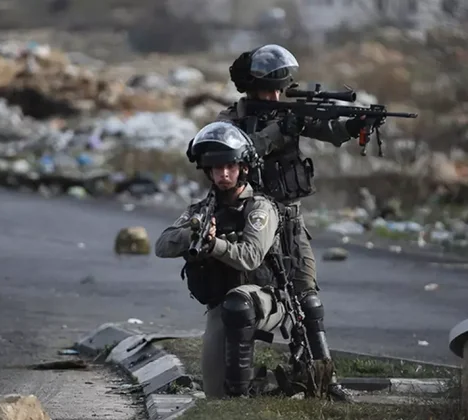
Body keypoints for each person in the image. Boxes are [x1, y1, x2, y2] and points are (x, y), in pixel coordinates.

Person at [209, 44, 363, 400]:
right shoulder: (230, 121)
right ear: (251, 89)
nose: (276, 96)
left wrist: (355, 125)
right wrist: (281, 128)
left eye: (280, 88)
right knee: (244, 305)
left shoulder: (288, 111)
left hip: (291, 220)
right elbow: (239, 152)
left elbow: (331, 131)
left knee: (308, 300)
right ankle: (238, 390)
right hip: (251, 222)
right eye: (268, 91)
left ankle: (323, 380)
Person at [155, 121, 285, 398]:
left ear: (243, 169)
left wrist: (215, 244)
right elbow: (162, 245)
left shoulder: (259, 208)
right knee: (214, 391)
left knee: (238, 304)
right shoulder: (202, 209)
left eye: (230, 167)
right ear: (209, 172)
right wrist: (192, 233)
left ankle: (241, 392)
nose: (224, 174)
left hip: (265, 298)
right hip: (223, 303)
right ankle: (239, 397)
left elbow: (251, 257)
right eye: (217, 169)